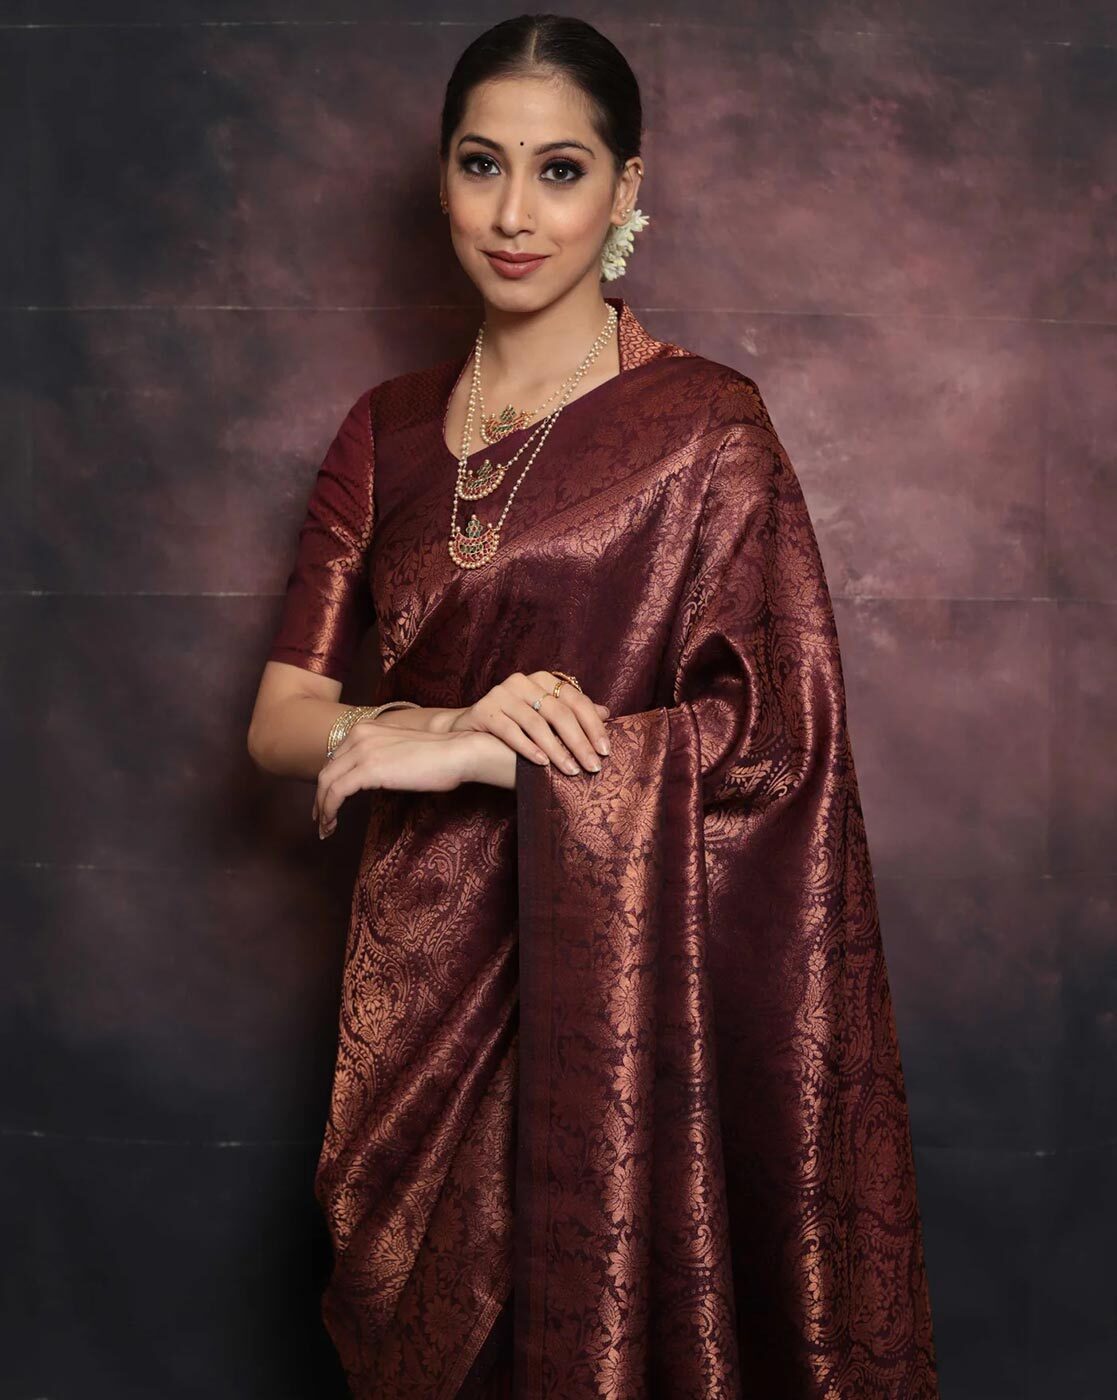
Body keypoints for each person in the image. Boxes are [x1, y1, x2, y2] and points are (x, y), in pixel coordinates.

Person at [247, 13, 940, 1399]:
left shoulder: (702, 427)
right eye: (480, 165)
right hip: (415, 991)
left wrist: (509, 760)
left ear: (625, 189)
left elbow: (779, 740)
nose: (514, 215)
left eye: (559, 170)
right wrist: (426, 735)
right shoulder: (379, 430)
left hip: (627, 991)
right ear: (438, 180)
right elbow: (281, 721)